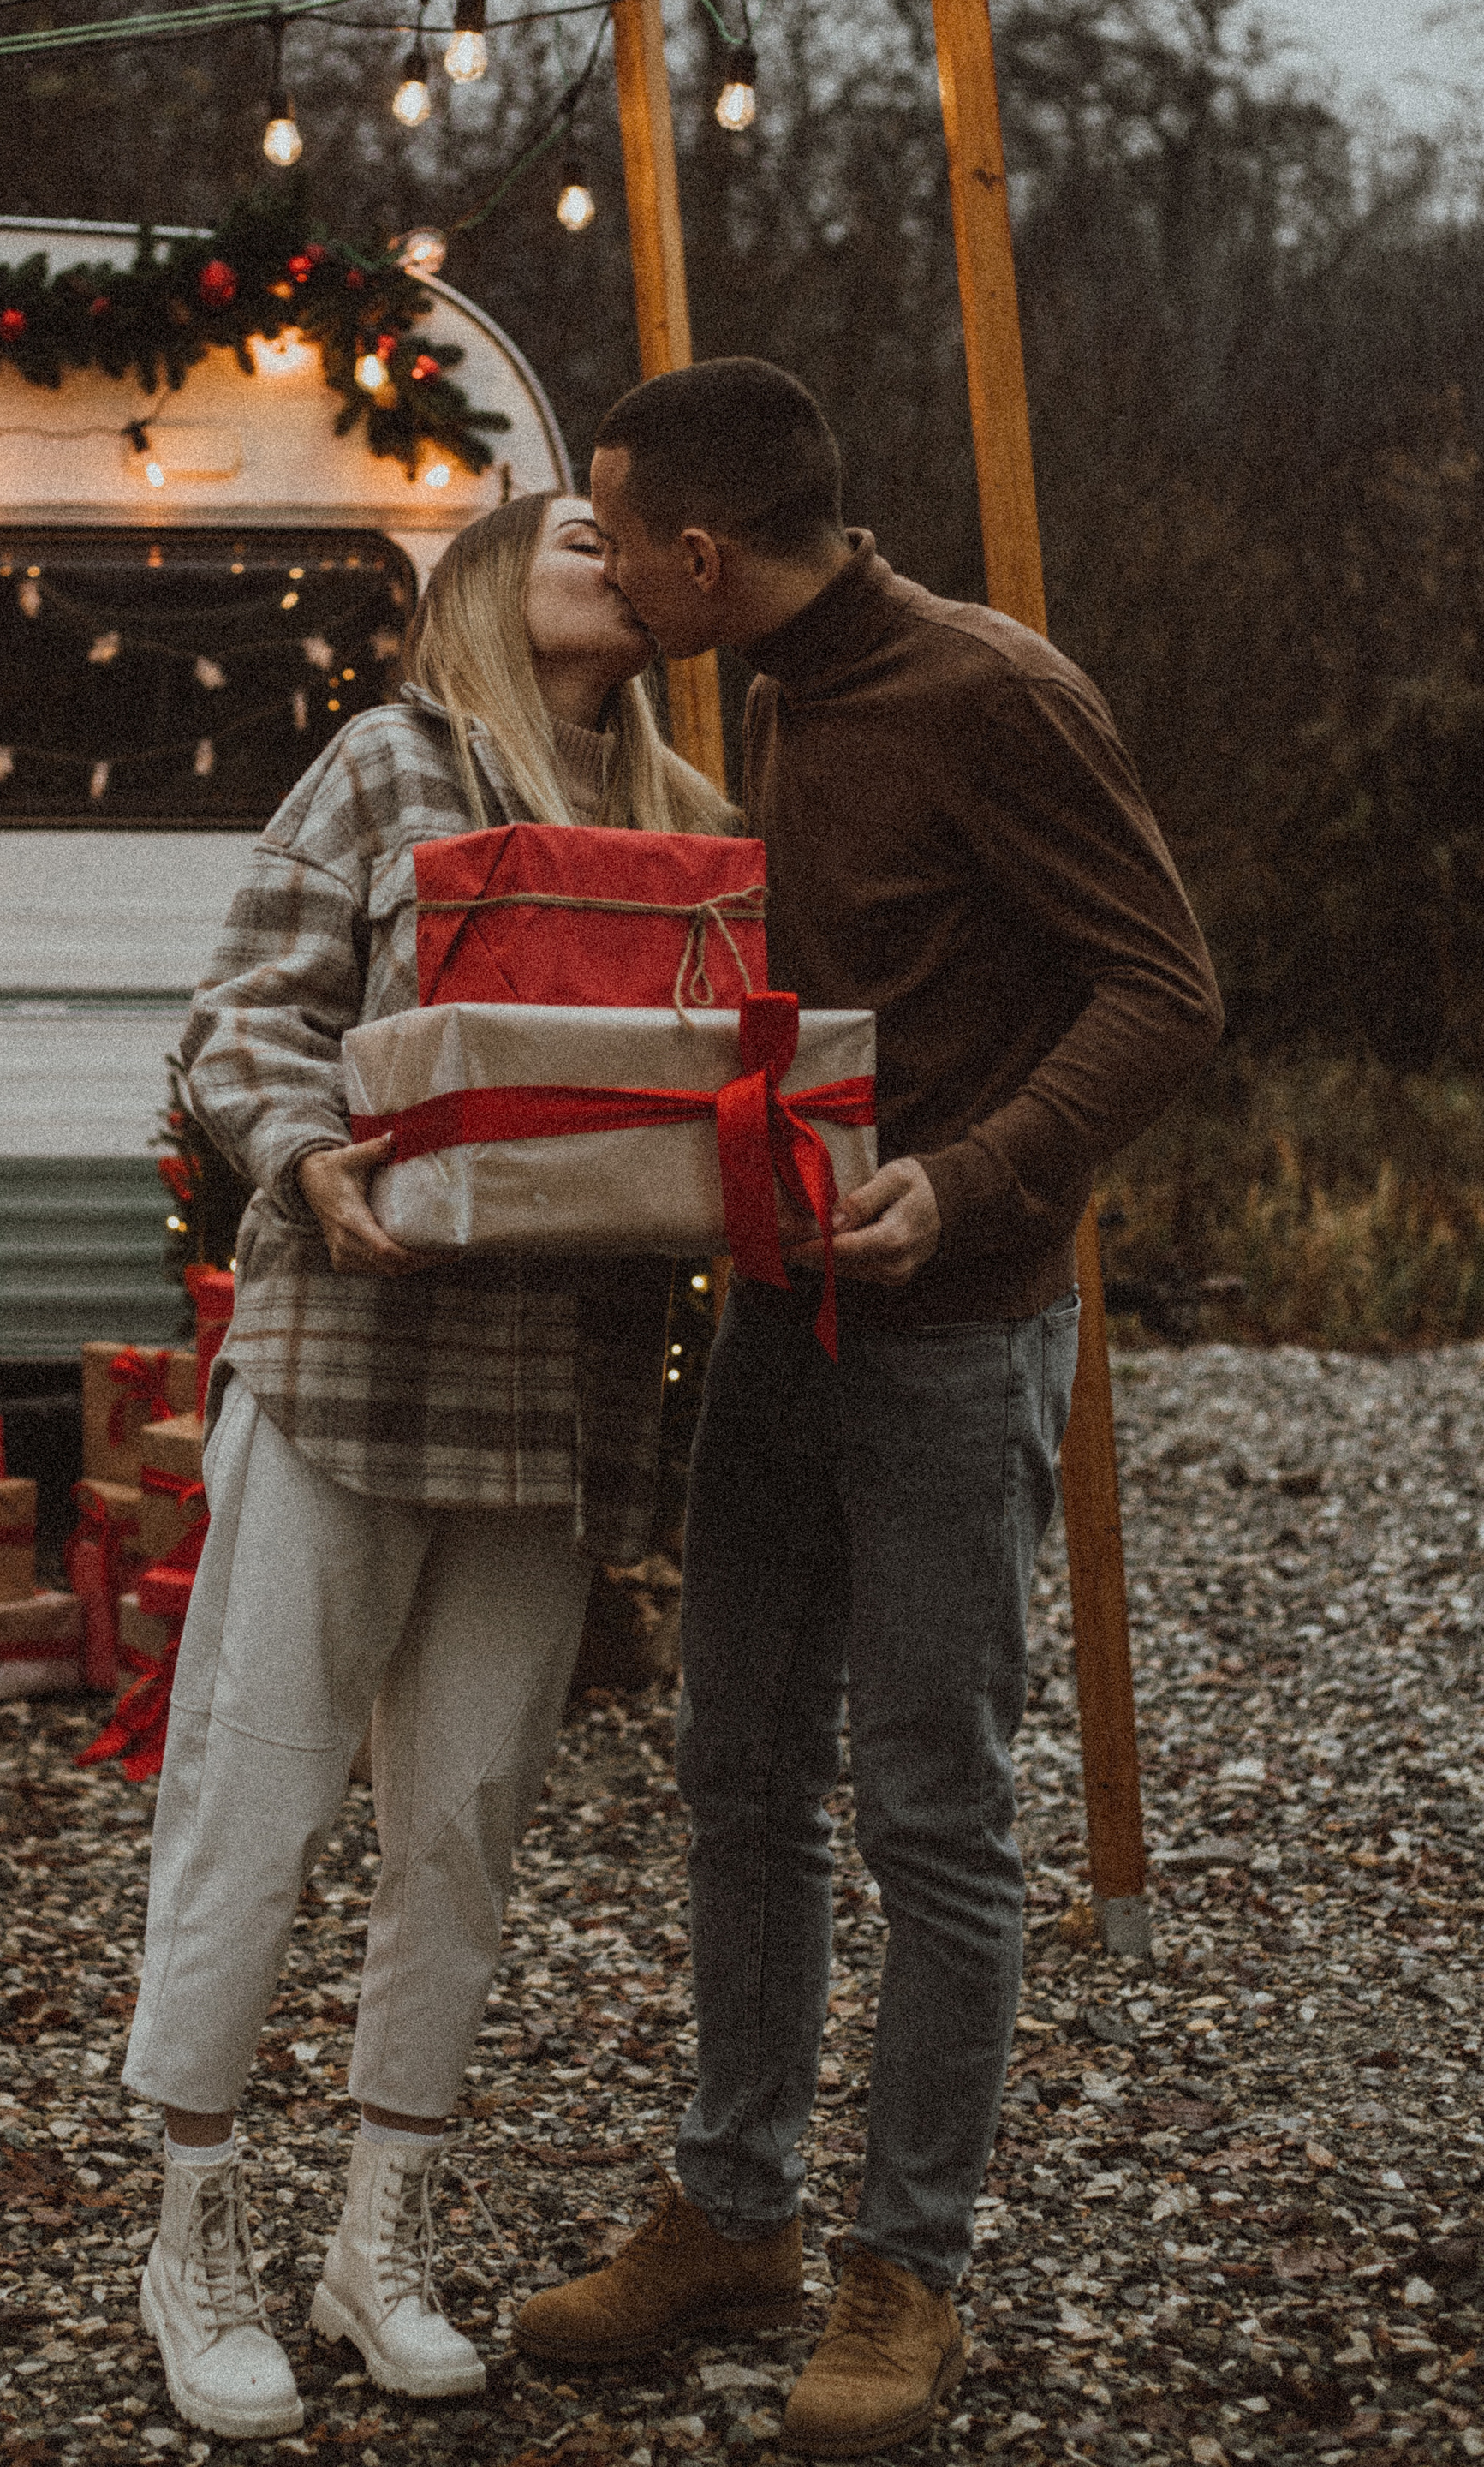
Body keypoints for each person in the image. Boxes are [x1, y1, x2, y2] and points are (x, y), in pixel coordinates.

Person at [516, 363, 1224, 2458]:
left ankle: (908, 2266)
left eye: (618, 535)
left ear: (703, 556)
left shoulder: (994, 695)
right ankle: (735, 2213)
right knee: (738, 1771)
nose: (605, 567)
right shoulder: (771, 697)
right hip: (778, 1318)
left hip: (955, 1332)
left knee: (933, 1811)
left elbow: (1167, 989)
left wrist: (979, 1180)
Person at [121, 490, 736, 2443]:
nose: (613, 555)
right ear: (481, 584)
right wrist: (310, 1154)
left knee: (464, 1822)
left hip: (563, 1391)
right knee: (260, 1789)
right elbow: (241, 1014)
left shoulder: (693, 823)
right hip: (351, 1358)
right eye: (575, 534)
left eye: (630, 541)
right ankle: (192, 2235)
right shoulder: (388, 764)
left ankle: (378, 2242)